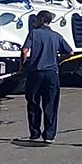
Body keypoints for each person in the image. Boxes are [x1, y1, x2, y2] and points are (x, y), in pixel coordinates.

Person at [20, 9, 73, 144]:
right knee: (50, 104)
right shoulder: (56, 36)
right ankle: (49, 135)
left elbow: (24, 51)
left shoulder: (34, 33)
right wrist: (59, 60)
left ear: (42, 20)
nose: (35, 22)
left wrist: (23, 65)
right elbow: (70, 52)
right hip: (51, 74)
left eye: (36, 19)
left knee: (33, 103)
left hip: (35, 73)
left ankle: (34, 133)